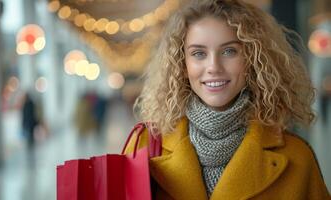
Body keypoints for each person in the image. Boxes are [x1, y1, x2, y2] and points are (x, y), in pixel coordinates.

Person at [125, 0, 330, 199]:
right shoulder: (144, 147)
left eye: (229, 51)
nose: (214, 66)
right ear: (182, 64)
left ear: (252, 59)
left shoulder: (297, 158)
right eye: (198, 53)